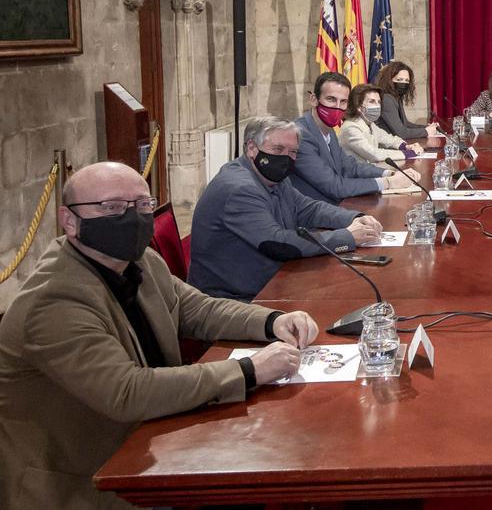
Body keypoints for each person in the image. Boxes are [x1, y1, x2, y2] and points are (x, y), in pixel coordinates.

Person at [0, 162, 318, 509]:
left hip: (154, 438)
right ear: (69, 220)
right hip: (88, 479)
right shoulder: (53, 300)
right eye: (112, 207)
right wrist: (248, 370)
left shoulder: (140, 261)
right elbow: (127, 392)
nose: (132, 217)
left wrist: (273, 321)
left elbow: (197, 310)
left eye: (142, 205)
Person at [190, 116, 384, 301]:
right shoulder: (239, 188)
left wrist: (355, 218)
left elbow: (307, 208)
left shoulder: (272, 177)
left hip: (274, 281)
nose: (286, 158)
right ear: (251, 148)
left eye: (292, 152)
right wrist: (347, 236)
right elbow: (278, 243)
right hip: (236, 300)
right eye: (278, 149)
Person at [291, 71, 416, 205]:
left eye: (343, 101)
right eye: (331, 99)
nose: (337, 107)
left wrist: (390, 173)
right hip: (315, 217)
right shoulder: (300, 135)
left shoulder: (329, 130)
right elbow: (334, 186)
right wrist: (388, 183)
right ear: (314, 100)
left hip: (337, 206)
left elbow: (351, 167)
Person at [340, 84, 426, 165]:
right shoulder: (351, 127)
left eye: (379, 102)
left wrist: (405, 146)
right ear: (358, 106)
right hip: (355, 178)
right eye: (372, 101)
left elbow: (389, 139)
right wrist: (408, 153)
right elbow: (374, 154)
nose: (377, 106)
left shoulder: (370, 124)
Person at [375, 61, 440, 140]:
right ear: (389, 80)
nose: (403, 83)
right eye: (399, 80)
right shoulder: (386, 99)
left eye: (406, 80)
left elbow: (405, 124)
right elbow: (401, 133)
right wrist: (425, 131)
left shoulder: (396, 97)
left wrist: (428, 127)